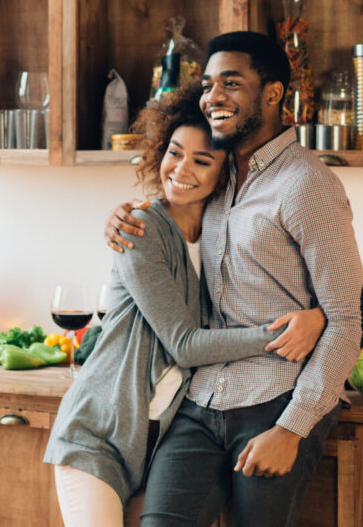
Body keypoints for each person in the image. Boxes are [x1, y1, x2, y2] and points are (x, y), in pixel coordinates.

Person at [104, 31, 363, 527]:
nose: (213, 96)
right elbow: (166, 211)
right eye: (206, 84)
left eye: (231, 83)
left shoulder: (308, 186)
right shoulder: (219, 178)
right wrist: (119, 216)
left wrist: (292, 429)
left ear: (272, 94)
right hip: (200, 402)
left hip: (276, 401)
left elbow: (347, 319)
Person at [43, 83, 326, 527]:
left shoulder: (218, 235)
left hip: (151, 443)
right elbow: (186, 345)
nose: (181, 169)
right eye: (175, 152)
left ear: (225, 170)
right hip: (97, 437)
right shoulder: (140, 228)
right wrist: (288, 332)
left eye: (202, 159)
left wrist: (319, 313)